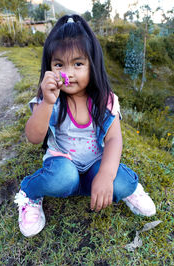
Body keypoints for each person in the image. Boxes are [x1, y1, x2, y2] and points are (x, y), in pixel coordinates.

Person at [14, 15, 156, 237]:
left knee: (121, 183)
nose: (68, 73)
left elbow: (113, 139)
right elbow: (33, 137)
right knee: (63, 178)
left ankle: (129, 189)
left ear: (93, 64)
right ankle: (29, 193)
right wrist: (48, 102)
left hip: (95, 167)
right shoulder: (51, 99)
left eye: (78, 64)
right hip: (64, 165)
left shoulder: (105, 99)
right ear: (49, 67)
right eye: (59, 64)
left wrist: (106, 175)